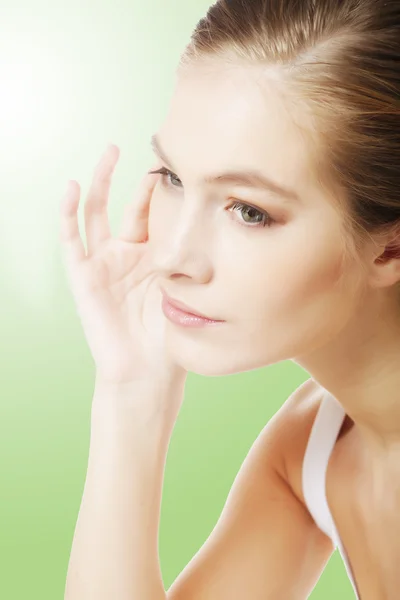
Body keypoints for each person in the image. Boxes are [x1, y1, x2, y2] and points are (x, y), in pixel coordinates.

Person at [61, 1, 400, 598]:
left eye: (248, 210)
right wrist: (131, 392)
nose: (170, 258)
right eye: (171, 178)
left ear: (390, 249)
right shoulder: (312, 448)